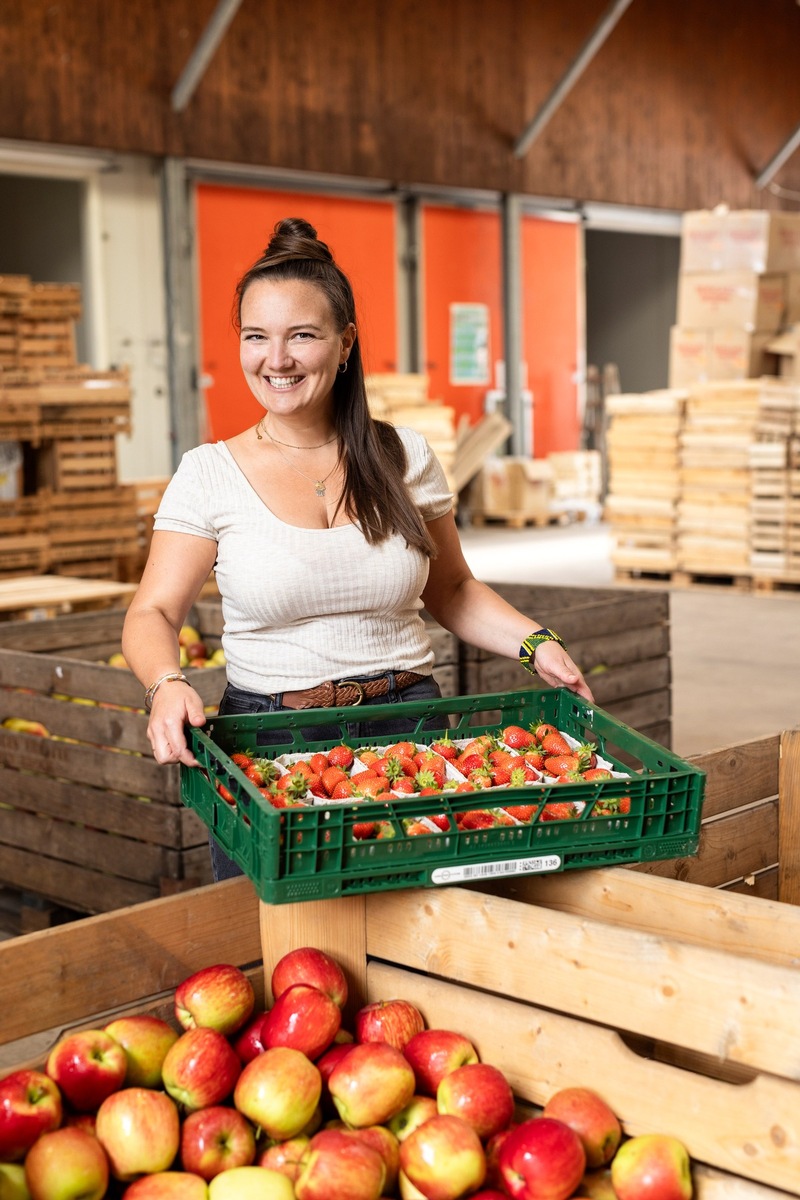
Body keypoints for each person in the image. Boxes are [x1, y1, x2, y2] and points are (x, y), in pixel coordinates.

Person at [121, 216, 593, 882]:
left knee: (422, 935)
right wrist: (166, 684)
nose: (275, 360)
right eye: (256, 337)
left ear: (345, 345)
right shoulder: (209, 473)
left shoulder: (403, 456)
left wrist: (534, 642)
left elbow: (452, 589)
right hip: (272, 742)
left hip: (410, 728)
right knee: (282, 943)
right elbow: (153, 614)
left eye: (302, 337)